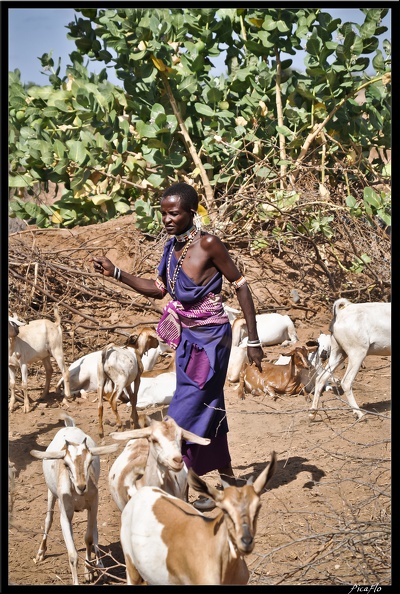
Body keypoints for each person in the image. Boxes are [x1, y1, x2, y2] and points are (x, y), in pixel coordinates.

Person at [92, 182, 263, 510]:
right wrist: (116, 272)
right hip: (187, 339)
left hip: (213, 340)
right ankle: (227, 482)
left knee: (180, 415)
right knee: (210, 405)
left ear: (190, 212)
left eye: (174, 213)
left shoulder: (209, 244)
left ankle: (180, 487)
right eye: (164, 214)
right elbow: (158, 289)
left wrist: (253, 339)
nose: (167, 220)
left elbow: (241, 286)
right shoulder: (172, 249)